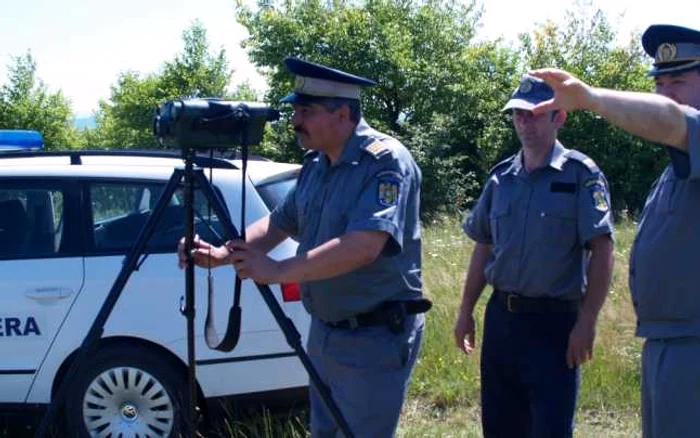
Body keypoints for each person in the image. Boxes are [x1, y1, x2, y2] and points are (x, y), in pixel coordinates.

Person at [178, 57, 428, 438]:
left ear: (343, 114)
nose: (295, 119)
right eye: (296, 109)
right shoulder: (317, 164)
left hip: (374, 335)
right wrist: (221, 256)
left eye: (305, 111)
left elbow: (363, 245)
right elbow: (279, 223)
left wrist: (278, 272)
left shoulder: (384, 162)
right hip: (327, 332)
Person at [529, 24, 700, 438]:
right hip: (667, 343)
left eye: (680, 80)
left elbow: (674, 118)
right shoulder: (676, 169)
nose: (667, 93)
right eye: (660, 83)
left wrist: (592, 99)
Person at [453, 74, 615, 437]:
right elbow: (484, 245)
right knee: (499, 426)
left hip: (554, 325)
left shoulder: (581, 176)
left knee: (550, 428)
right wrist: (466, 311)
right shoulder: (501, 179)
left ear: (559, 117)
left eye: (534, 114)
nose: (524, 123)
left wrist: (587, 321)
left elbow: (603, 249)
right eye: (517, 115)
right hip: (502, 321)